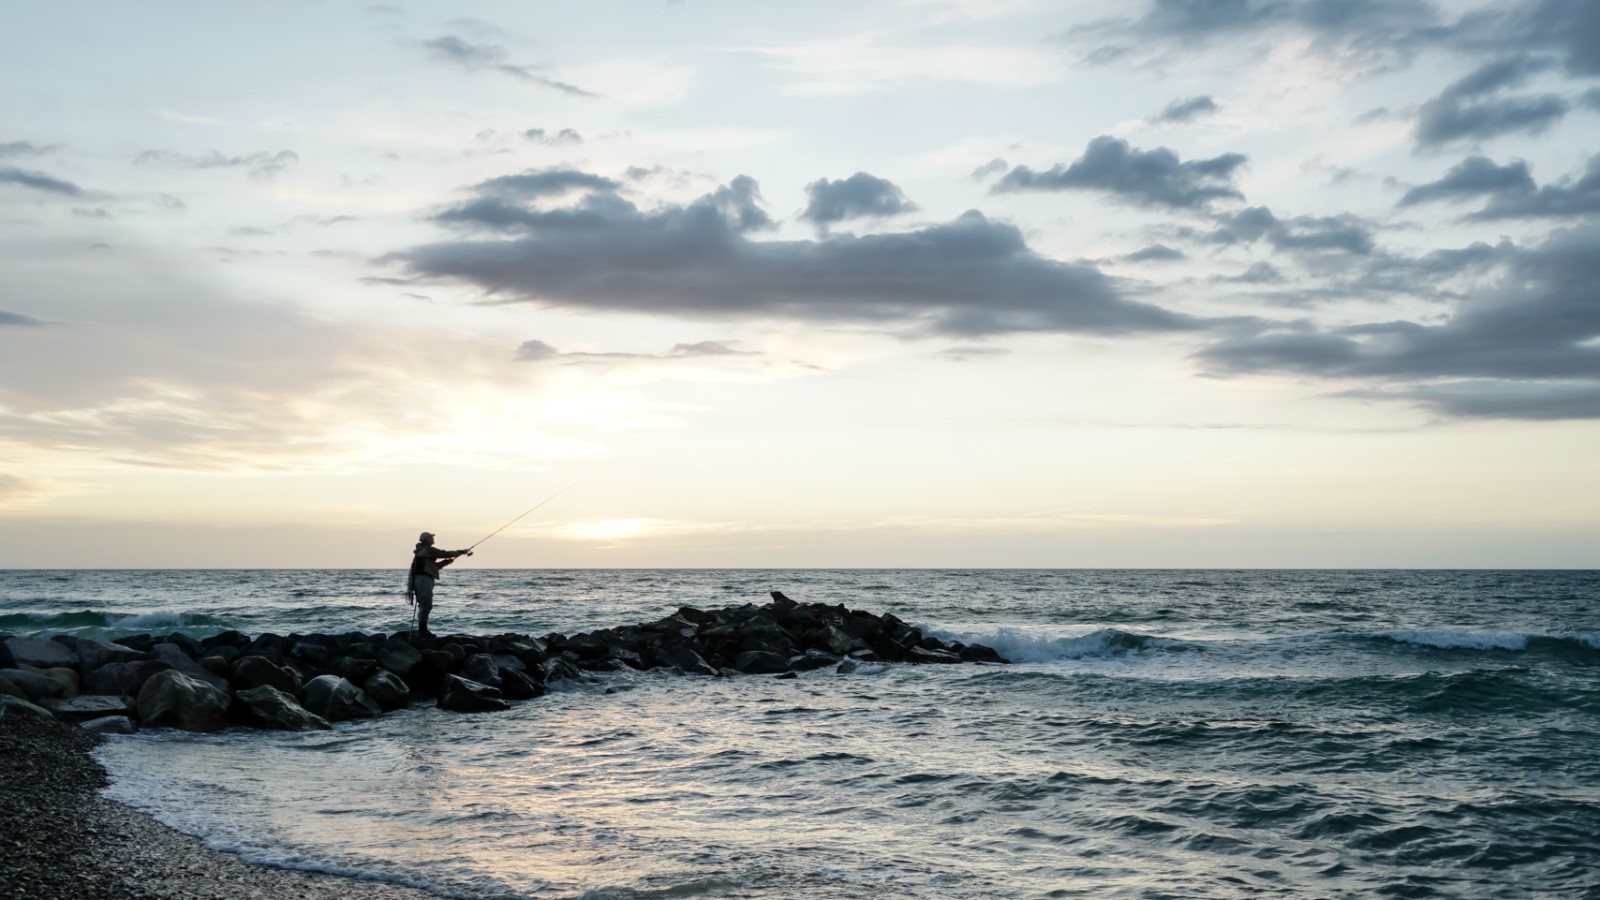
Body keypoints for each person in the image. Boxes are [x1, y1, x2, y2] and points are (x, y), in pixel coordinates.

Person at [407, 532, 472, 637]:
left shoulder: (424, 551)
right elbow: (444, 553)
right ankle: (422, 630)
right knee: (426, 603)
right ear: (426, 539)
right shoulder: (427, 550)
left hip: (424, 579)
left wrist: (446, 563)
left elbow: (433, 567)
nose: (433, 538)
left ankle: (422, 630)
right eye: (431, 537)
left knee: (425, 604)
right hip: (423, 579)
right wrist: (460, 552)